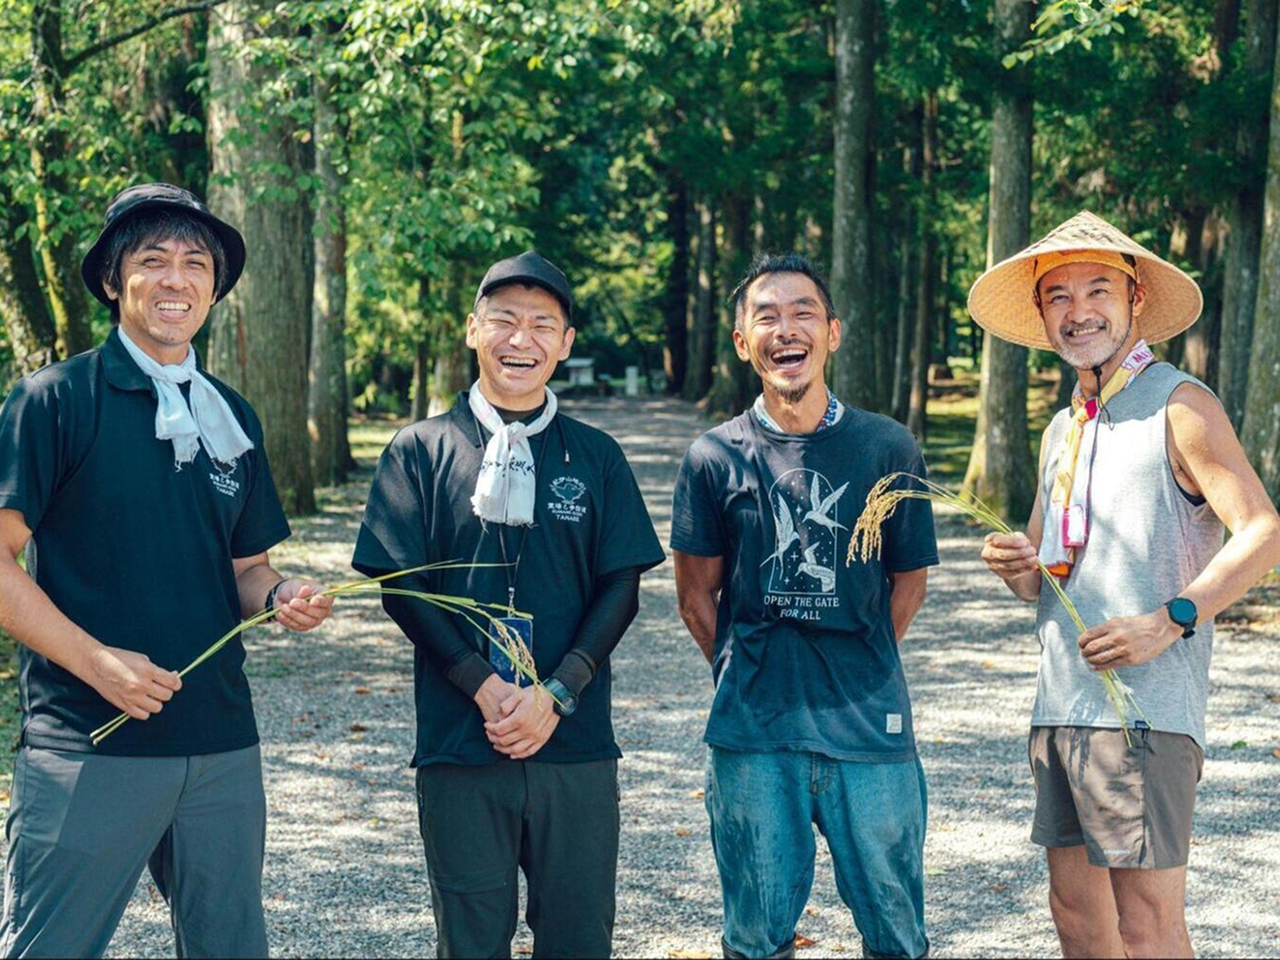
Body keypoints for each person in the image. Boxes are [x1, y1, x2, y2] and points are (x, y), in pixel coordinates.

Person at [0, 182, 334, 958]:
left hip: (221, 743)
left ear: (215, 288)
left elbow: (246, 566)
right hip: (88, 743)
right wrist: (98, 663)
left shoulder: (232, 414)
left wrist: (281, 594)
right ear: (115, 281)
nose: (177, 279)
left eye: (196, 263)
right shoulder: (53, 400)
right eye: (153, 260)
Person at [970, 210, 1280, 959]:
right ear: (1043, 315)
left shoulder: (1180, 405)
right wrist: (1021, 567)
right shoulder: (1062, 427)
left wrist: (1172, 617)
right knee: (1076, 916)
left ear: (1136, 300)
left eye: (1098, 290)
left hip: (1144, 715)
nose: (1080, 312)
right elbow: (1051, 574)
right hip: (1061, 705)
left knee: (1146, 926)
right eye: (1059, 297)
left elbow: (1265, 532)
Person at [352, 250, 665, 959]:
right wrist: (482, 684)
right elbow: (400, 585)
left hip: (575, 745)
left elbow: (622, 587)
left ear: (565, 343)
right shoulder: (420, 450)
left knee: (580, 936)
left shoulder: (595, 455)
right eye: (504, 320)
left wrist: (557, 691)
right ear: (472, 331)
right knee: (470, 939)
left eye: (541, 324)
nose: (520, 340)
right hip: (461, 741)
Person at [671, 253, 938, 960]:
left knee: (895, 927)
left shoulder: (886, 445)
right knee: (756, 933)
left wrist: (858, 654)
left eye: (803, 313)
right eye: (767, 316)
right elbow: (696, 597)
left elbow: (908, 581)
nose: (786, 330)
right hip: (753, 728)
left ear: (833, 332)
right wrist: (746, 666)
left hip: (869, 726)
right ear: (741, 342)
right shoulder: (713, 456)